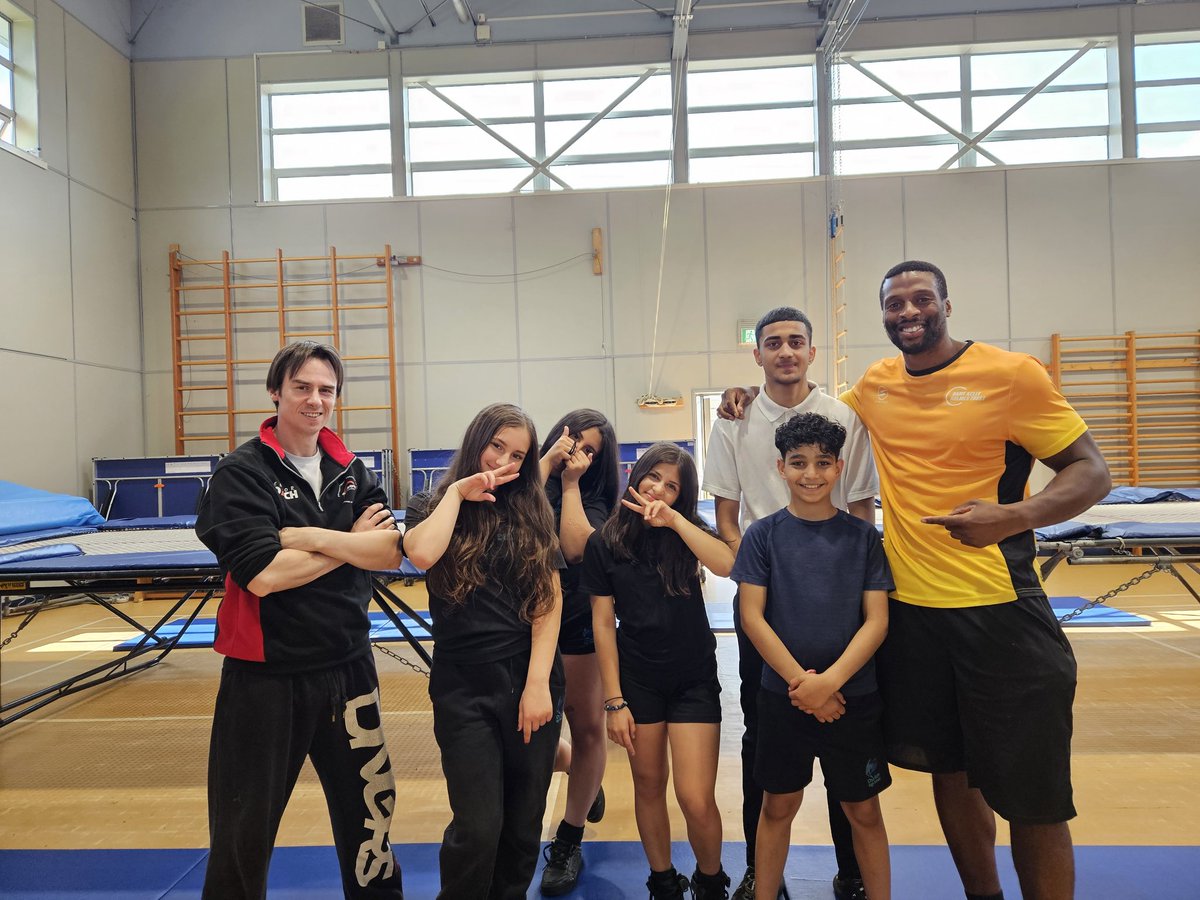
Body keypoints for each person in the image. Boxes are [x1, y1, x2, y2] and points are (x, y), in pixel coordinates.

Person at [720, 261, 1112, 900]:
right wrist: (747, 396)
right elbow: (804, 420)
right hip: (914, 619)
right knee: (951, 775)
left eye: (921, 299)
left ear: (946, 304)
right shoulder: (876, 386)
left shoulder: (1012, 375)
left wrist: (1015, 514)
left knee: (1033, 797)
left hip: (1000, 610)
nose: (908, 312)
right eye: (895, 303)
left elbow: (1091, 472)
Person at [194, 340, 406, 900]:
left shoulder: (352, 471)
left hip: (349, 671)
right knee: (244, 833)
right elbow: (263, 574)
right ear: (276, 392)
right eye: (302, 387)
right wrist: (349, 543)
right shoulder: (240, 474)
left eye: (326, 390)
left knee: (372, 825)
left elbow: (387, 552)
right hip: (265, 679)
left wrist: (315, 542)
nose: (315, 400)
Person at [702, 306, 878, 900]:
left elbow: (860, 507)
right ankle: (761, 869)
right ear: (757, 355)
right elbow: (727, 512)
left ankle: (852, 870)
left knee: (845, 742)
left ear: (810, 352)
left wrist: (844, 579)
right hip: (765, 596)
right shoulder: (735, 417)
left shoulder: (842, 416)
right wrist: (758, 566)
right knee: (763, 739)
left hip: (835, 602)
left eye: (795, 342)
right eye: (772, 343)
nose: (784, 352)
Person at [402, 402, 565, 900]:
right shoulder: (430, 505)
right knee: (477, 824)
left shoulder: (533, 509)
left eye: (517, 454)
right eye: (497, 446)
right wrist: (457, 491)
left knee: (521, 822)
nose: (504, 461)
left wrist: (537, 685)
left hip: (527, 679)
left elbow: (548, 601)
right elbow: (423, 553)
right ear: (477, 441)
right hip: (462, 685)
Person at [732, 413, 893, 900]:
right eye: (798, 462)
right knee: (777, 807)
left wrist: (831, 683)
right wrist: (803, 685)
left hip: (854, 699)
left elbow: (877, 620)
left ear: (840, 467)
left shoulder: (863, 538)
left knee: (863, 810)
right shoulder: (762, 536)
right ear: (780, 467)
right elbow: (753, 617)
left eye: (823, 463)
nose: (811, 474)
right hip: (783, 700)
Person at [583, 442, 734, 900]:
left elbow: (729, 565)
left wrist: (675, 521)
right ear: (636, 475)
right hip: (639, 682)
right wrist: (614, 701)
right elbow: (603, 625)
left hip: (693, 680)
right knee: (648, 786)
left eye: (673, 486)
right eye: (654, 477)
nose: (660, 490)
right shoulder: (604, 542)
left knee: (694, 797)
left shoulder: (687, 531)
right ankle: (663, 880)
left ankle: (711, 881)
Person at [536, 410, 620, 895]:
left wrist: (570, 483)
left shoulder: (600, 499)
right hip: (522, 627)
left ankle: (568, 841)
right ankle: (581, 773)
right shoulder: (532, 479)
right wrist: (548, 468)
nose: (579, 455)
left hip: (578, 627)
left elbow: (576, 550)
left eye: (591, 450)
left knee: (587, 727)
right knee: (525, 734)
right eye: (573, 442)